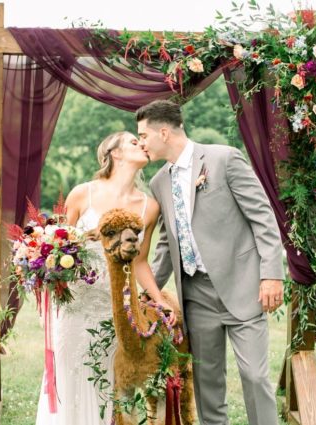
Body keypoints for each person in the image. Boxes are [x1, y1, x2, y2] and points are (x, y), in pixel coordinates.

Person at [137, 100, 285, 425]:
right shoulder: (158, 182)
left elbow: (262, 217)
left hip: (243, 285)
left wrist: (272, 275)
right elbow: (167, 244)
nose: (141, 143)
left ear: (164, 131)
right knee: (208, 387)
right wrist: (148, 292)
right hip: (196, 296)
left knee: (255, 376)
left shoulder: (224, 159)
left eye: (143, 135)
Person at [35, 131, 175, 425]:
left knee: (108, 380)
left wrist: (159, 300)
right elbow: (58, 245)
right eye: (134, 142)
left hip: (112, 306)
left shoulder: (149, 207)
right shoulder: (81, 193)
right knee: (69, 372)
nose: (143, 145)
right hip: (73, 304)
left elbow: (139, 261)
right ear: (115, 153)